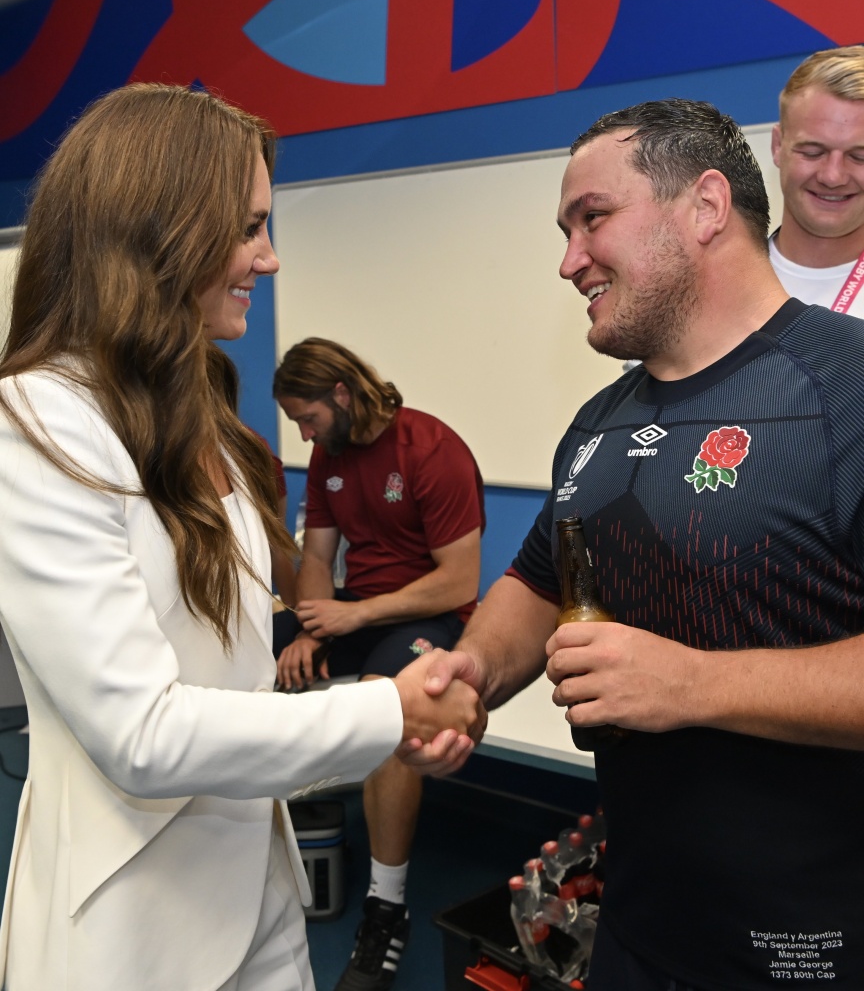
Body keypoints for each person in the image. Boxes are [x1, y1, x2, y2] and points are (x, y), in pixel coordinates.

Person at [0, 83, 483, 991]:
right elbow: (139, 733)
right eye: (250, 226)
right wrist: (389, 709)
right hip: (135, 921)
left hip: (256, 882)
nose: (268, 257)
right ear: (161, 226)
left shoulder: (206, 417)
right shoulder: (38, 419)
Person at [408, 98, 864, 990]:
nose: (570, 259)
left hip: (820, 941)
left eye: (593, 219)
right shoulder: (599, 421)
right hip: (643, 926)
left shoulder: (845, 388)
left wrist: (692, 684)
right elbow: (543, 578)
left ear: (704, 207)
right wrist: (472, 674)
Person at [272, 338, 484, 991]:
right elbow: (315, 559)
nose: (304, 433)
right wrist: (310, 625)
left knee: (385, 707)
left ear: (341, 394)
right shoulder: (327, 455)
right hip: (352, 611)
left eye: (308, 418)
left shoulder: (431, 448)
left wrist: (349, 619)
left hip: (427, 617)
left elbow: (458, 582)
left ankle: (385, 911)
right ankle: (248, 862)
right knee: (240, 649)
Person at [770, 45, 864, 315]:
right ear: (778, 146)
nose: (833, 176)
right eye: (813, 152)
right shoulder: (710, 286)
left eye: (859, 157)